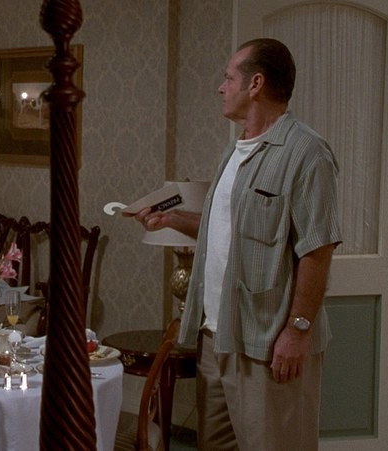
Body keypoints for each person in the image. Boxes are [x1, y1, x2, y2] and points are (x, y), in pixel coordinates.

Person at [131, 38, 341, 450]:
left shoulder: (307, 153)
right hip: (217, 336)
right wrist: (172, 219)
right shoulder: (235, 150)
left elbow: (317, 250)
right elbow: (228, 230)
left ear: (255, 84)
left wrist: (297, 331)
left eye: (229, 78)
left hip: (268, 341)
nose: (221, 87)